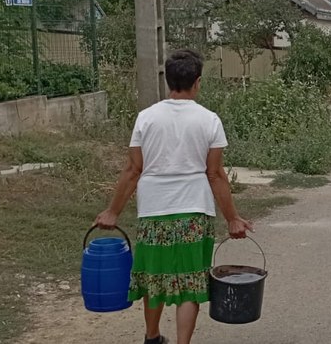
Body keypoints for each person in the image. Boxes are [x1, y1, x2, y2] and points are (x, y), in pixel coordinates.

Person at [95, 49, 253, 344]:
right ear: (197, 82)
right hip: (194, 210)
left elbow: (133, 169)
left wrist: (112, 212)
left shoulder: (146, 118)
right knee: (191, 282)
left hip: (154, 209)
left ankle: (152, 338)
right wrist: (233, 218)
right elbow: (215, 174)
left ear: (168, 81)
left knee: (154, 276)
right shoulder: (209, 120)